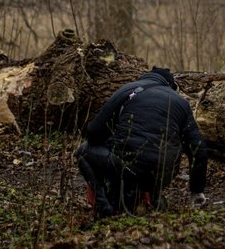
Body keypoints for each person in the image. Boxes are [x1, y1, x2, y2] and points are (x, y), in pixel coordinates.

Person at [76, 67, 208, 218]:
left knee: (83, 152)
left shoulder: (128, 90)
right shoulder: (181, 103)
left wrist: (112, 136)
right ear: (171, 86)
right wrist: (197, 190)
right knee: (153, 157)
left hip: (128, 168)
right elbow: (199, 150)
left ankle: (103, 205)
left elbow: (93, 133)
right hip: (165, 175)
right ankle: (153, 197)